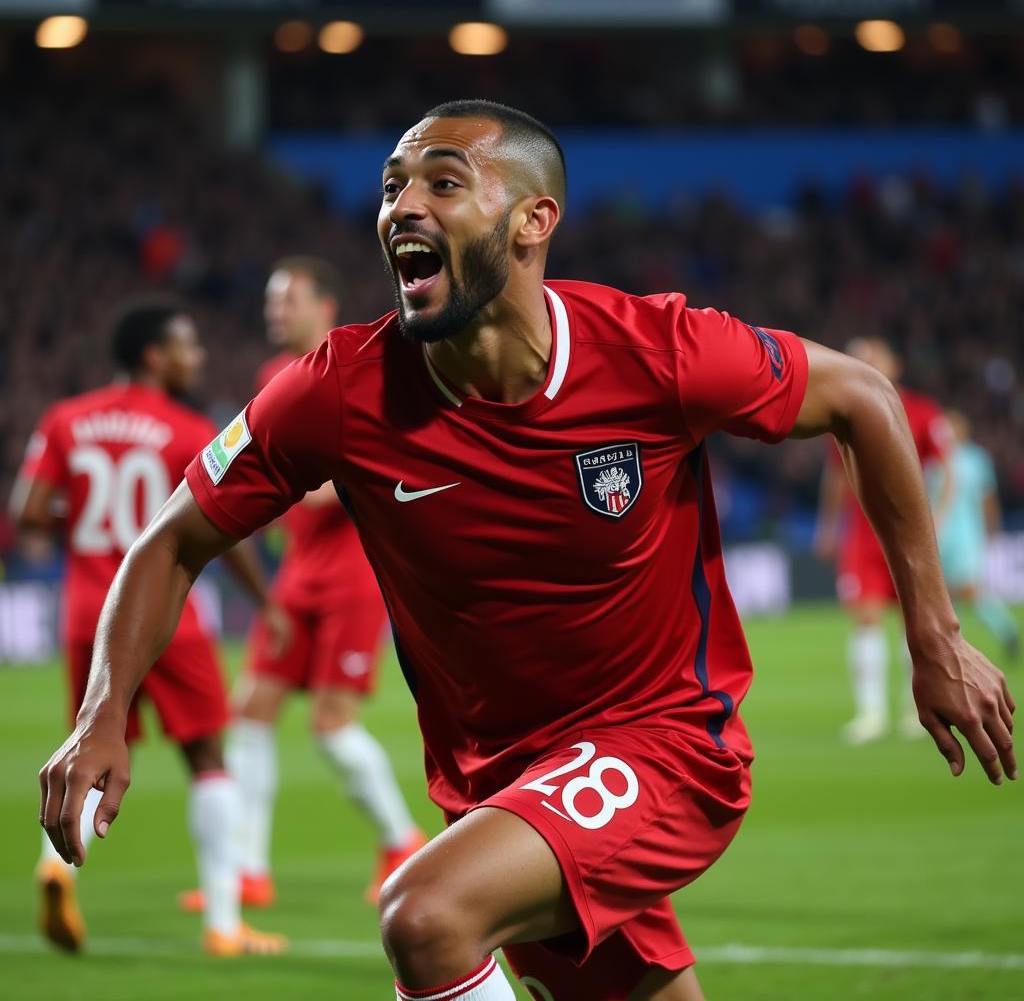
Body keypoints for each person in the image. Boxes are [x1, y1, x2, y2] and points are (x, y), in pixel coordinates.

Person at [38, 103, 1015, 1001]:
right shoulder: (337, 389)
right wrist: (103, 711)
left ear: (532, 220)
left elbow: (864, 400)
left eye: (443, 182)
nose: (401, 207)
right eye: (390, 186)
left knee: (426, 916)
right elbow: (172, 538)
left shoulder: (656, 351)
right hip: (503, 785)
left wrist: (932, 637)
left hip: (667, 745)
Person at [16, 297, 285, 956]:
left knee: (90, 742)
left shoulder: (64, 419)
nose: (196, 358)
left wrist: (85, 528)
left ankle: (54, 869)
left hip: (89, 615)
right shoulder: (187, 428)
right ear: (153, 356)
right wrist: (267, 603)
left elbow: (27, 510)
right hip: (170, 616)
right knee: (208, 759)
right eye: (186, 347)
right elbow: (228, 536)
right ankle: (224, 925)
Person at [180, 258, 423, 913]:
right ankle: (249, 869)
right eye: (269, 303)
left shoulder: (359, 369)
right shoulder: (271, 378)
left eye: (285, 302)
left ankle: (402, 842)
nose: (273, 314)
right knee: (252, 707)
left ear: (325, 305)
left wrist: (297, 490)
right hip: (299, 572)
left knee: (329, 725)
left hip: (352, 572)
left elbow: (371, 472)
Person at [814, 337, 954, 744]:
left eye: (873, 357)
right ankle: (871, 712)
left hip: (909, 532)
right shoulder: (842, 414)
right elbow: (837, 476)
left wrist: (938, 519)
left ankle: (917, 710)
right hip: (862, 534)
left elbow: (948, 470)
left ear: (894, 363)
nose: (864, 363)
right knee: (867, 617)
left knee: (916, 621)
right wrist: (827, 526)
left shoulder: (924, 412)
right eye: (858, 358)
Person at [931, 409, 1019, 662]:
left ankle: (1006, 629)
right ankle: (954, 650)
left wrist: (992, 530)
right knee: (946, 596)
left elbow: (987, 499)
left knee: (969, 590)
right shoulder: (933, 459)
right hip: (938, 536)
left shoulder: (975, 459)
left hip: (967, 535)